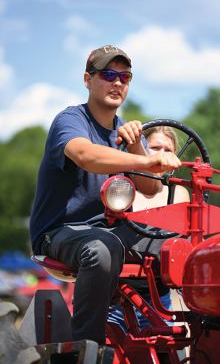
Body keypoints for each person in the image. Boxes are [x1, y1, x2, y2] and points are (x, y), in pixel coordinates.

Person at [29, 45, 182, 346]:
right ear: (88, 79)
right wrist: (145, 160)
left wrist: (138, 145)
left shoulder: (125, 130)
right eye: (108, 74)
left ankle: (191, 333)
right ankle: (87, 347)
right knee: (101, 249)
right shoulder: (71, 120)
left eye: (124, 77)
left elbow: (151, 187)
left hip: (109, 231)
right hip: (60, 232)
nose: (117, 83)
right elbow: (86, 155)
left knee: (181, 246)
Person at [108, 126, 190, 329]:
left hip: (157, 302)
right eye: (154, 147)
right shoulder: (123, 188)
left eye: (168, 150)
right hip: (113, 300)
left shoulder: (178, 193)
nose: (162, 154)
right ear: (142, 150)